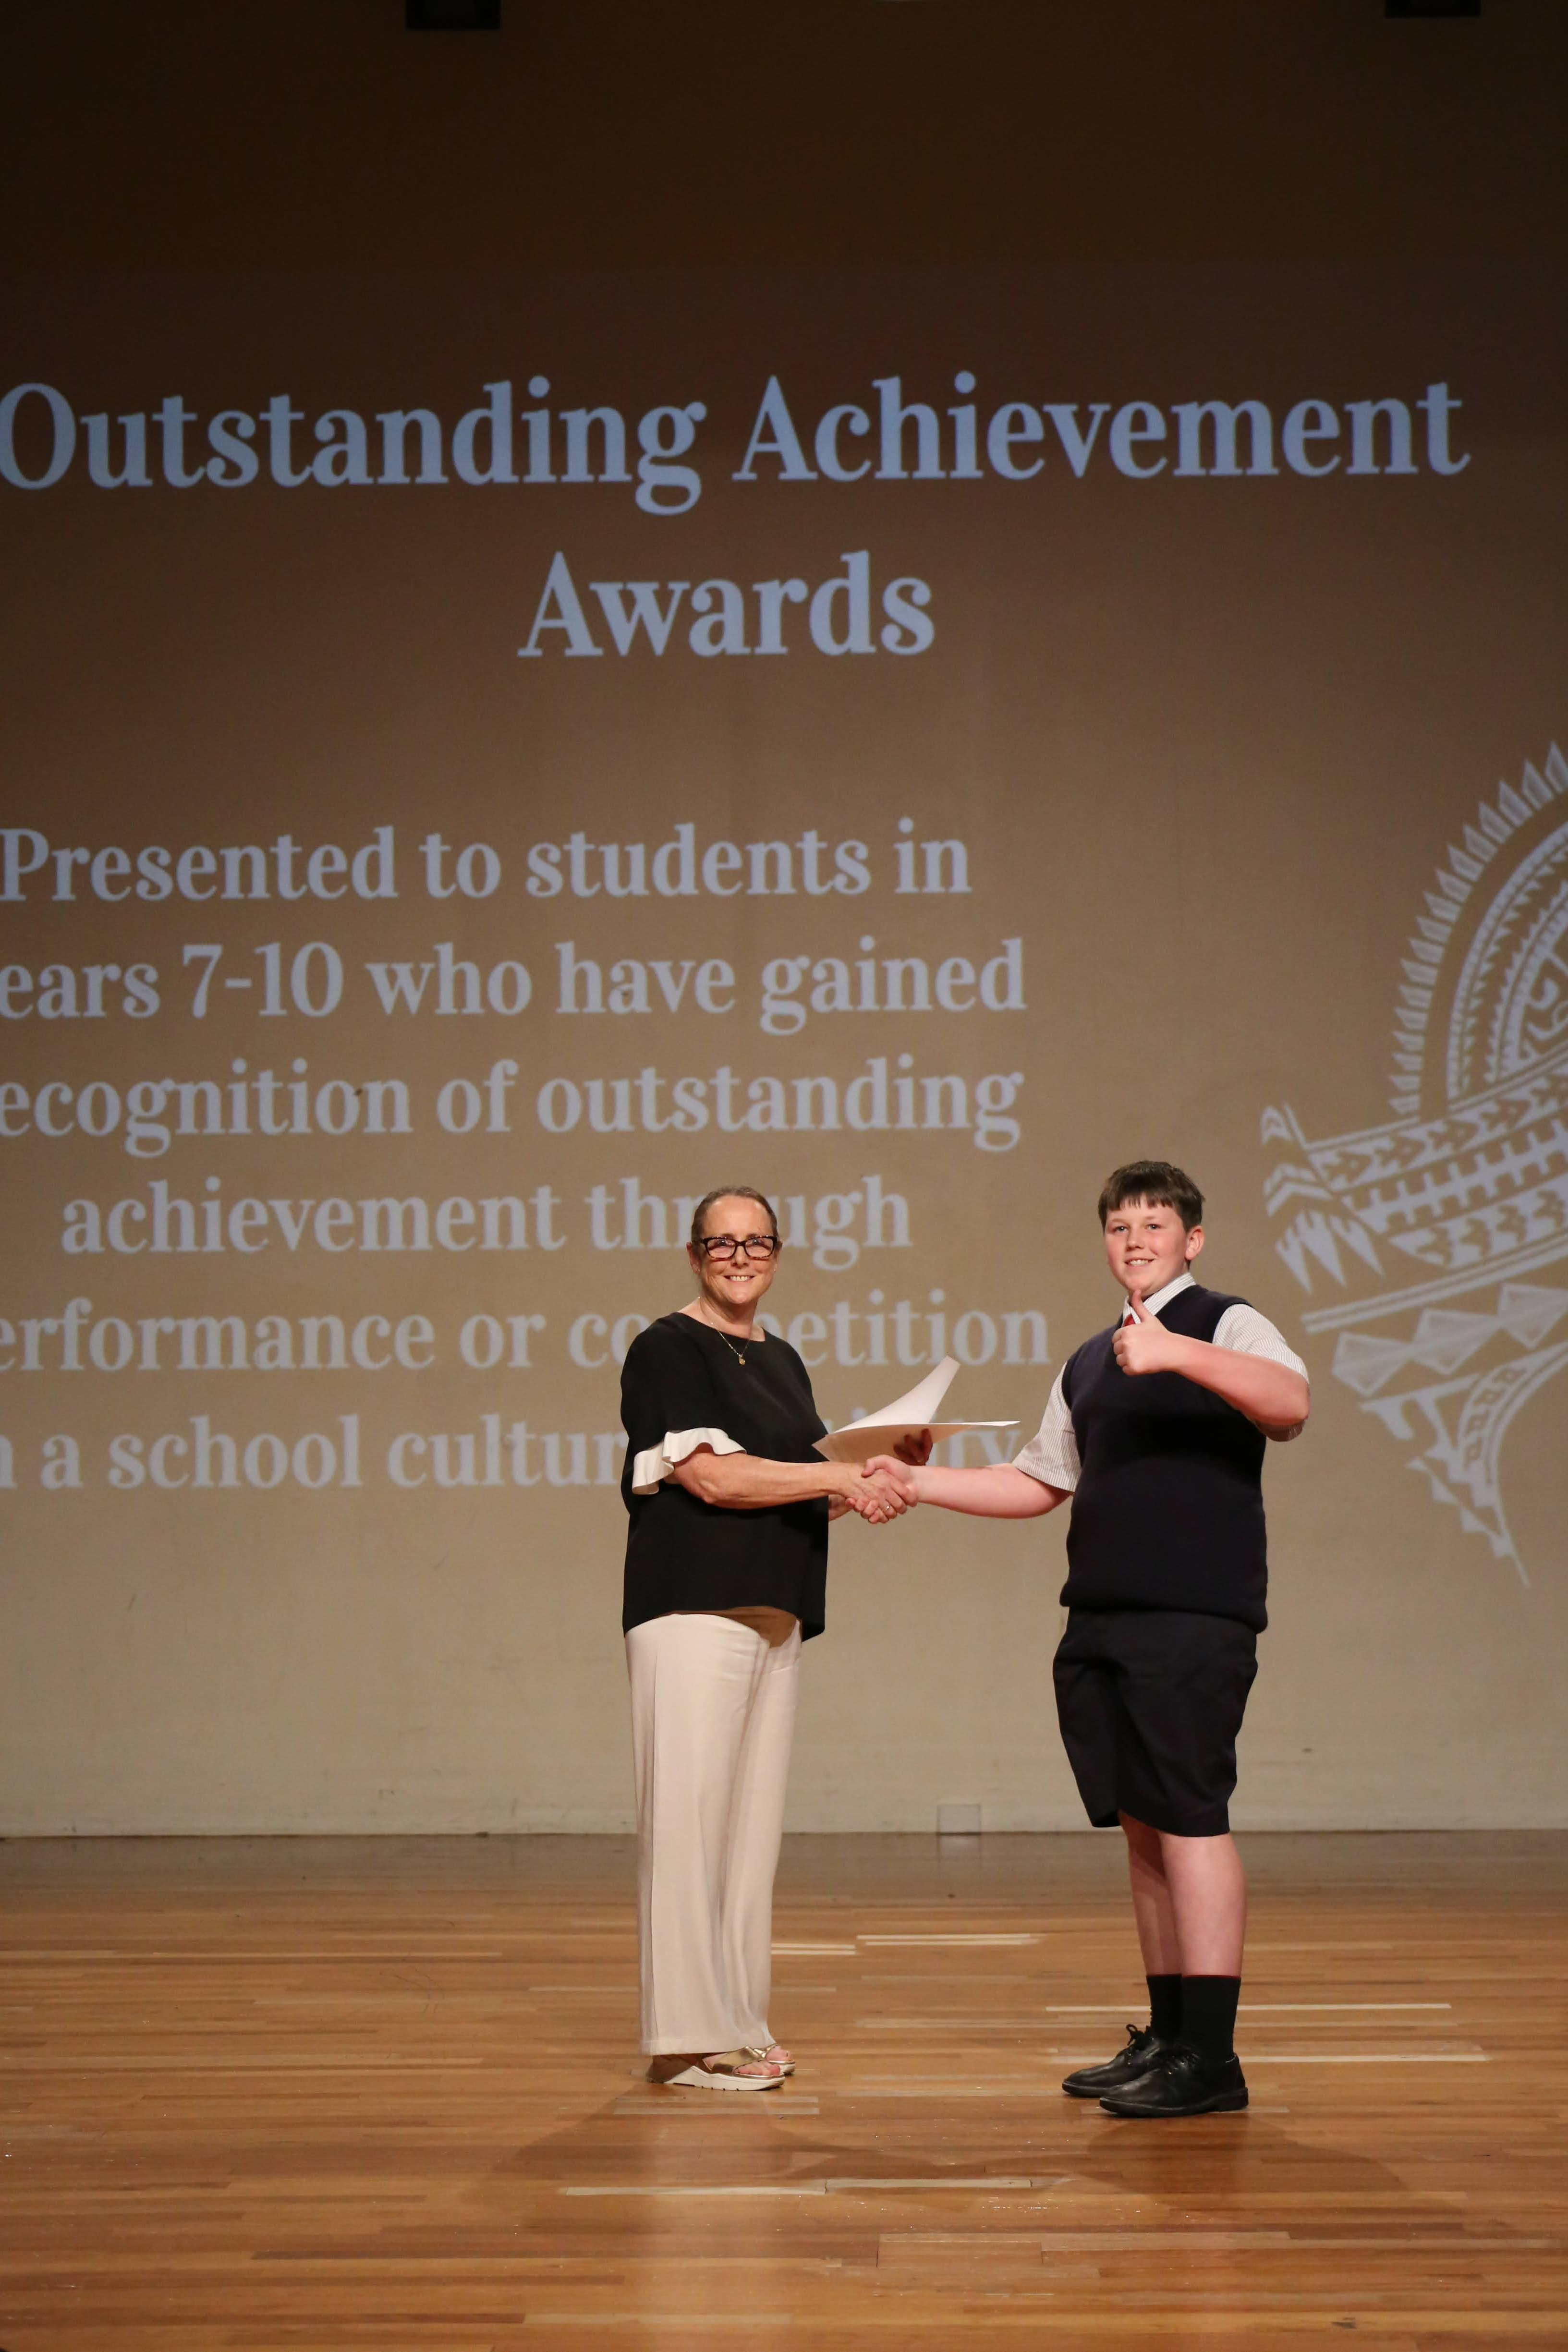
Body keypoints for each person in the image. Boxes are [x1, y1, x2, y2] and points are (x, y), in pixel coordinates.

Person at [868, 1160, 1309, 2118]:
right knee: (1144, 1829)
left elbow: (1288, 1403)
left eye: (1155, 1224)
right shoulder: (1086, 1361)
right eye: (1119, 1227)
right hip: (1101, 1616)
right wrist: (917, 1483)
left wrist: (1177, 1353)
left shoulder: (1224, 1322)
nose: (1135, 1240)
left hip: (1191, 1615)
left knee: (1190, 1821)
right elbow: (1037, 1481)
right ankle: (1170, 2037)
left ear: (1192, 1240)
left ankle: (1213, 2057)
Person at [620, 1184, 922, 2090]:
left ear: (777, 1255)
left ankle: (739, 2022)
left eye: (756, 1243)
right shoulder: (666, 1347)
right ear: (694, 1254)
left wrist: (879, 1472)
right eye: (722, 1244)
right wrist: (834, 1477)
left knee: (748, 1841)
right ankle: (686, 2037)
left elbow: (802, 1490)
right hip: (694, 1609)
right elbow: (712, 1477)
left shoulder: (782, 1359)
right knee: (688, 1828)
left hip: (774, 1611)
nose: (740, 1258)